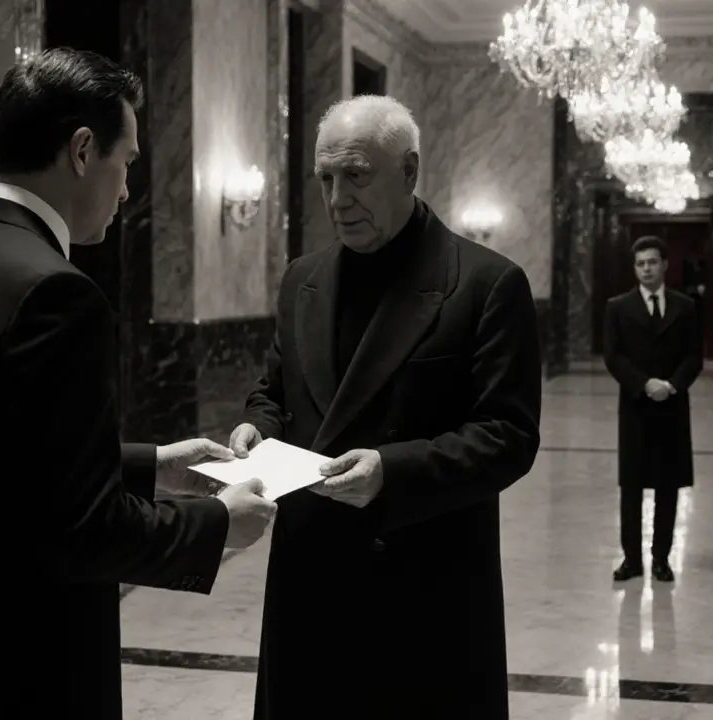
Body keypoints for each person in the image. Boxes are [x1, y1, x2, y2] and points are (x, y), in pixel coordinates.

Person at [0, 48, 277, 720]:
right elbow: (83, 531)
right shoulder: (58, 294)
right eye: (127, 163)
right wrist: (219, 523)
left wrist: (151, 466)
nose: (127, 191)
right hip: (20, 669)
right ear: (83, 150)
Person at [228, 95, 543, 720]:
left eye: (356, 175)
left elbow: (509, 436)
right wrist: (256, 426)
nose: (338, 198)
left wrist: (391, 472)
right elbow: (276, 391)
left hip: (423, 585)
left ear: (409, 171)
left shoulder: (487, 283)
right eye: (326, 178)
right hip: (310, 576)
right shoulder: (301, 279)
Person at [603, 235, 703, 584]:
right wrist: (644, 384)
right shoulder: (617, 307)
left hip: (672, 407)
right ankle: (632, 559)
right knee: (631, 486)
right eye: (640, 263)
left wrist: (671, 385)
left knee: (667, 486)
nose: (646, 269)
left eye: (652, 262)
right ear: (635, 268)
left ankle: (661, 558)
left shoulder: (685, 307)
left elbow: (694, 356)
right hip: (635, 407)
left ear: (664, 265)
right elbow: (613, 356)